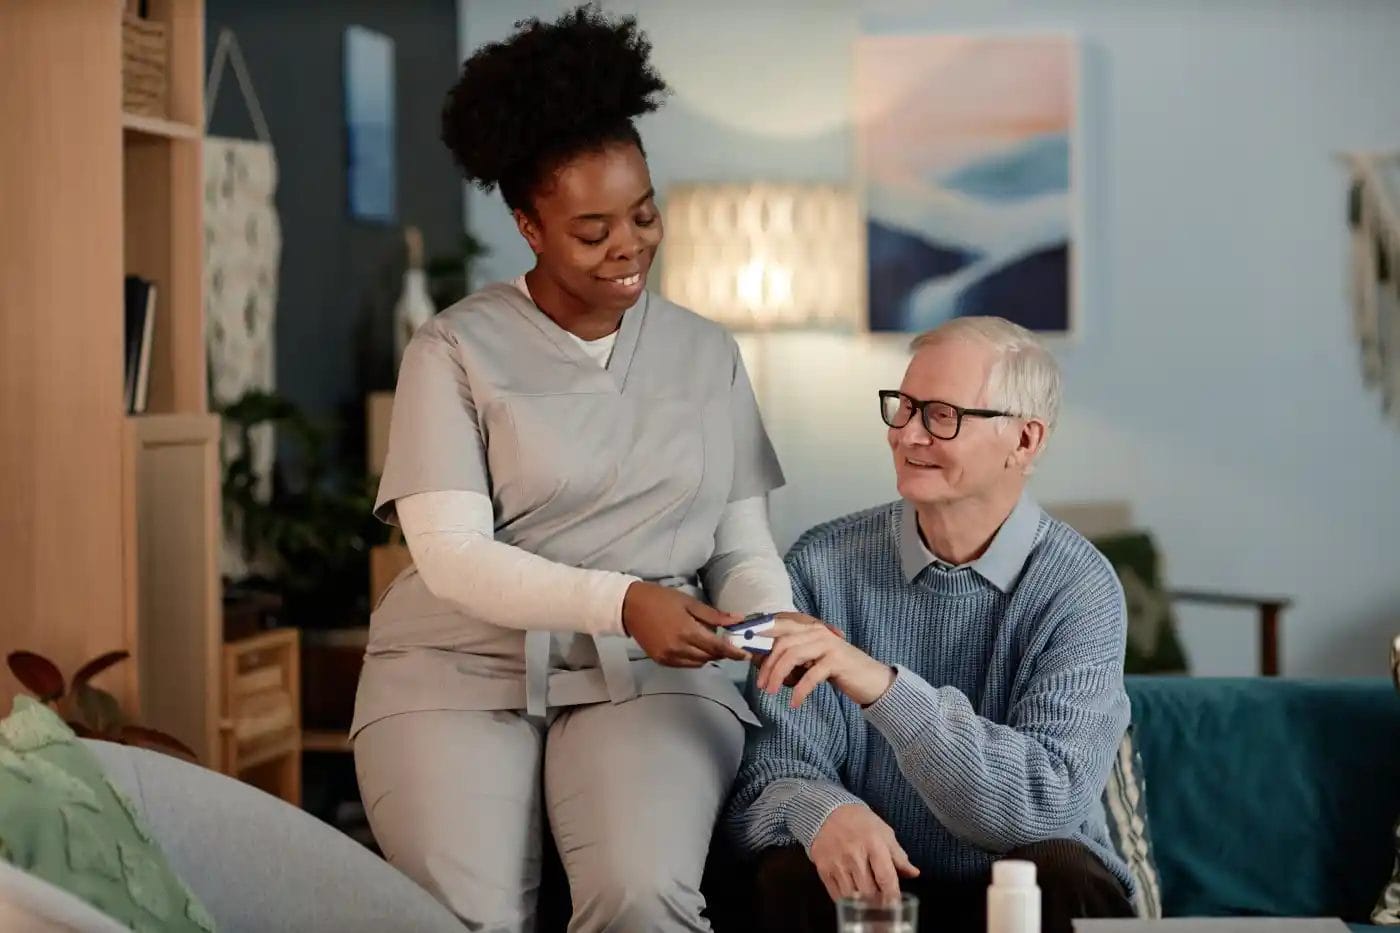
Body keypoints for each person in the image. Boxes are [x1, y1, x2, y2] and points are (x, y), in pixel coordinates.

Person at [350, 8, 795, 932]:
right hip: (457, 664)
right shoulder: (452, 350)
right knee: (462, 915)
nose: (628, 246)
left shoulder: (705, 354)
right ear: (528, 226)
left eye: (642, 214)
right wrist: (624, 598)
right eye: (592, 230)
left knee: (641, 895)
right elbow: (455, 558)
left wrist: (765, 621)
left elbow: (741, 543)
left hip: (649, 666)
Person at [724, 317, 1137, 933]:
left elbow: (1044, 801)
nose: (908, 434)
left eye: (942, 415)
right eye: (904, 407)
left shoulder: (1080, 588)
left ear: (1024, 441)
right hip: (873, 886)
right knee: (788, 870)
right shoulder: (821, 564)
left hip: (1021, 884)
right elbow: (769, 770)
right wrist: (822, 813)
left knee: (1061, 871)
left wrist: (884, 689)